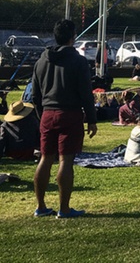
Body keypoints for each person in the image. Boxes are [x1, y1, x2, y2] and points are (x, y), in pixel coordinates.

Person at [32, 19, 97, 219]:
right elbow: (86, 92)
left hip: (47, 113)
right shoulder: (78, 61)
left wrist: (40, 115)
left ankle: (41, 206)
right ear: (72, 37)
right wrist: (92, 119)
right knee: (65, 160)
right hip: (70, 113)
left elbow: (35, 94)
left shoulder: (41, 60)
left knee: (45, 157)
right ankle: (64, 208)